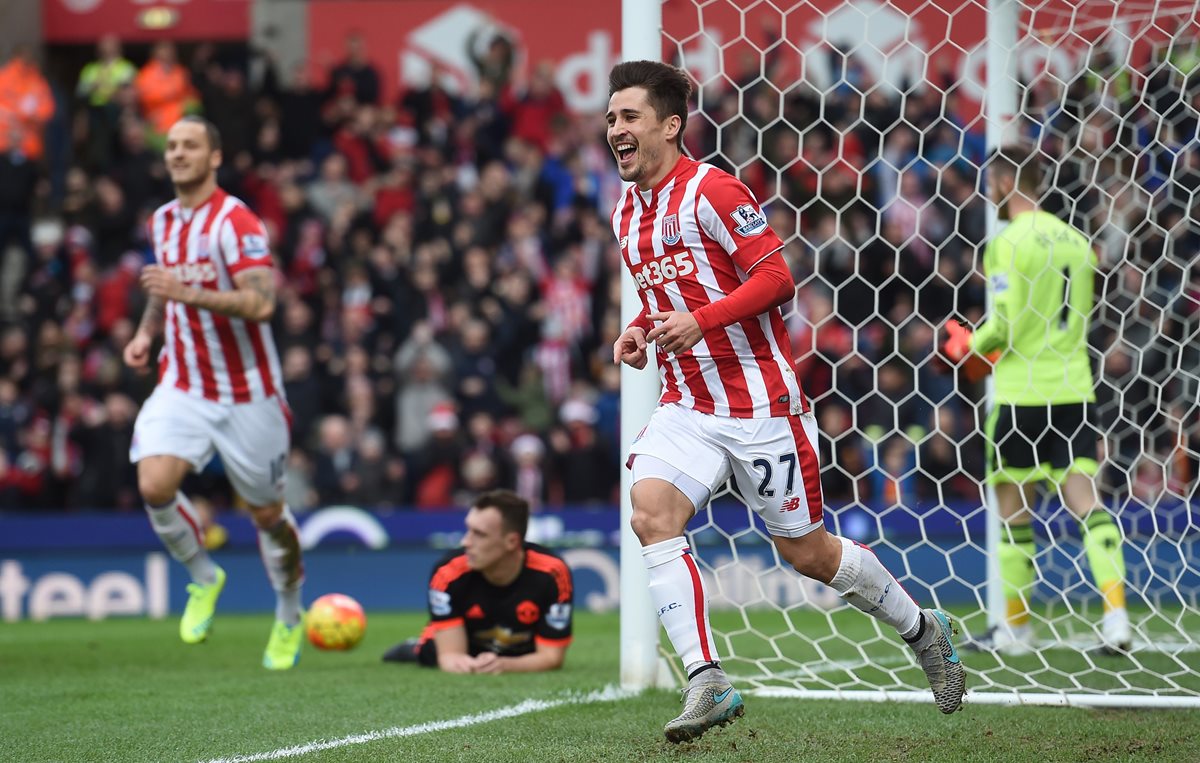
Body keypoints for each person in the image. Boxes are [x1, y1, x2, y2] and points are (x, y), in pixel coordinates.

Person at [607, 60, 964, 743]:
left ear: (670, 125)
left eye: (629, 117)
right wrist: (636, 330)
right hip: (688, 403)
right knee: (651, 513)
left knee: (809, 554)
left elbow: (777, 277)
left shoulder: (713, 190)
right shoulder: (626, 211)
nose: (615, 130)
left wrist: (704, 321)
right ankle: (705, 677)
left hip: (763, 406)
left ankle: (923, 627)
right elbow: (662, 300)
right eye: (610, 119)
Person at [123, 116, 305, 670]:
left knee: (267, 512)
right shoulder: (162, 220)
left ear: (215, 157)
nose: (177, 154)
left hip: (249, 393)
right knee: (154, 482)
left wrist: (187, 291)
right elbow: (164, 288)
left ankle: (289, 613)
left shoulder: (236, 221)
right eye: (172, 145)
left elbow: (262, 303)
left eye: (190, 146)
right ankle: (204, 576)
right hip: (183, 382)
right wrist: (146, 332)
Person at [941, 145, 1130, 655]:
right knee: (1085, 501)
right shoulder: (1077, 240)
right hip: (1073, 387)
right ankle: (1116, 619)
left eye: (990, 182)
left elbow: (1003, 327)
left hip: (1023, 392)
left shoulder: (1007, 242)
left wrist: (963, 344)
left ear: (1004, 181)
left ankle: (1016, 629)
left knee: (1013, 510)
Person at [381, 489, 573, 673]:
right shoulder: (447, 573)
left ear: (512, 542)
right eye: (468, 530)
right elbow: (451, 656)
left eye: (479, 534)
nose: (466, 542)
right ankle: (413, 647)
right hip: (466, 645)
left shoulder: (553, 573)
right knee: (428, 654)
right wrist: (464, 664)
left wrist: (504, 665)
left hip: (519, 649)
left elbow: (551, 657)